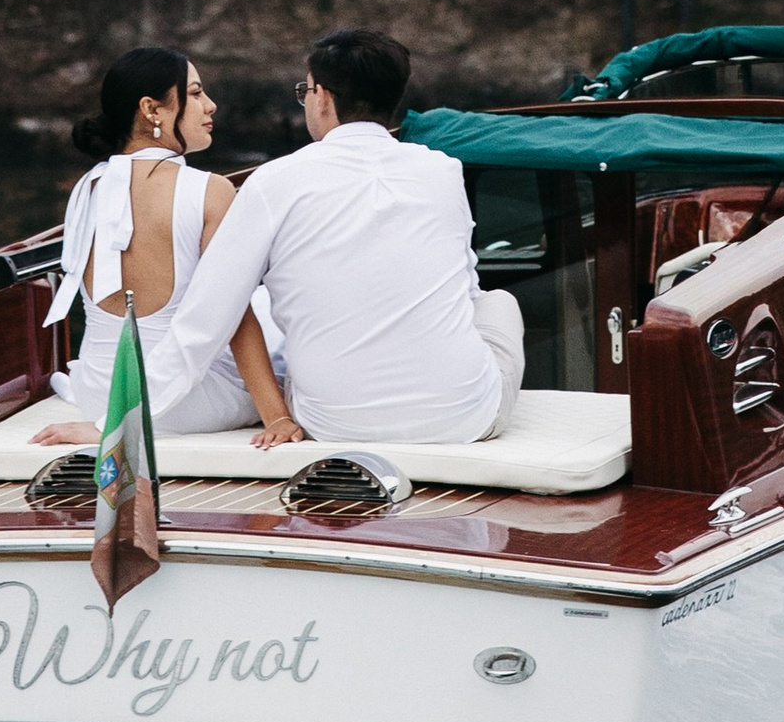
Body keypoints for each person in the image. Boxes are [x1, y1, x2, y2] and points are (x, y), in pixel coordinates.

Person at [145, 27, 524, 450]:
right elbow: (465, 289)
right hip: (462, 420)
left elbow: (206, 316)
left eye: (304, 91)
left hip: (332, 423)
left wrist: (126, 418)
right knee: (496, 303)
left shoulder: (274, 181)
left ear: (321, 97)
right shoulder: (442, 171)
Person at [37, 46, 281, 440]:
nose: (211, 106)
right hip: (179, 405)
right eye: (197, 93)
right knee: (279, 328)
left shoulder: (87, 187)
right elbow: (233, 315)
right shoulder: (211, 191)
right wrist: (277, 417)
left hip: (99, 393)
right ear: (153, 109)